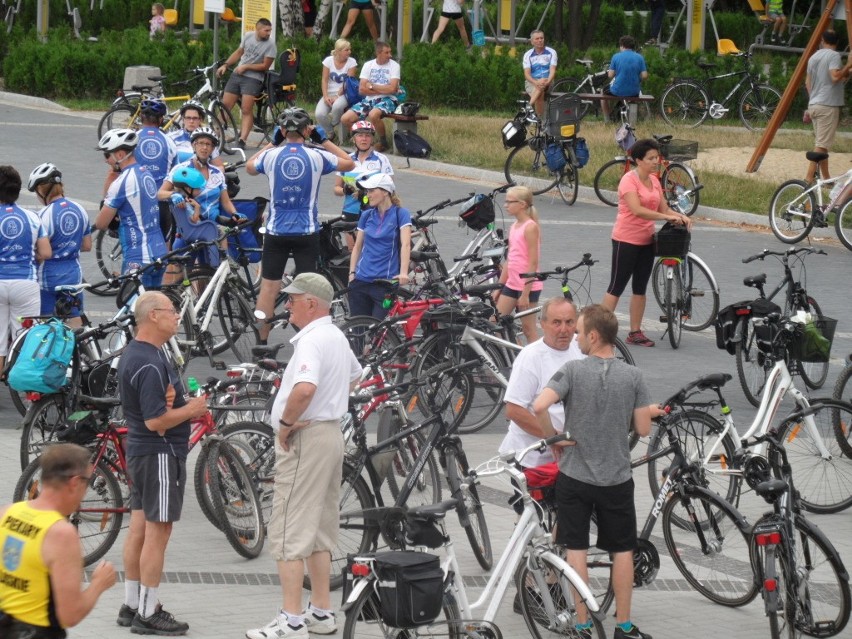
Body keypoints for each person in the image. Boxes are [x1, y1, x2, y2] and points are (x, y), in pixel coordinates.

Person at [246, 273, 361, 639]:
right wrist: (331, 401)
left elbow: (305, 388)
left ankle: (292, 619)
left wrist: (285, 424)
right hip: (329, 435)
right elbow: (355, 376)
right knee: (321, 526)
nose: (287, 304)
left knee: (288, 528)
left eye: (293, 299)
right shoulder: (336, 336)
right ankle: (321, 612)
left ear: (312, 303)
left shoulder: (312, 340)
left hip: (307, 437)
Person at [532, 304, 653, 639]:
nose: (574, 335)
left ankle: (583, 624)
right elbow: (643, 429)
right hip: (616, 478)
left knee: (577, 551)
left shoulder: (571, 371)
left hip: (575, 478)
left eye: (579, 331)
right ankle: (624, 626)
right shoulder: (633, 376)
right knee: (623, 550)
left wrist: (553, 438)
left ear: (594, 336)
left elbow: (539, 405)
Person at [116, 290, 208, 635]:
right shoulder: (151, 362)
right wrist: (192, 409)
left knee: (139, 530)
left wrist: (173, 402)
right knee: (159, 532)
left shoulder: (137, 354)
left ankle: (131, 602)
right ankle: (148, 611)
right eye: (171, 310)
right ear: (153, 316)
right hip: (160, 452)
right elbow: (156, 421)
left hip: (141, 453)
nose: (177, 316)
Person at [246, 108, 355, 343]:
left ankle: (262, 343)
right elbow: (349, 163)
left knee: (268, 288)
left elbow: (249, 166)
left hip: (277, 231)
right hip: (306, 232)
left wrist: (272, 143)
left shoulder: (271, 156)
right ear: (307, 130)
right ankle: (308, 340)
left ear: (283, 131)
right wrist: (323, 140)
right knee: (308, 289)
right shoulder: (317, 156)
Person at [0, 443, 117, 638]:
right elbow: (70, 615)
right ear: (75, 482)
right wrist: (99, 583)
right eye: (88, 483)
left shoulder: (7, 513)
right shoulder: (60, 534)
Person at [601, 138, 691, 348]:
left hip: (647, 240)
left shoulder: (654, 180)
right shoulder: (628, 181)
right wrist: (666, 218)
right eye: (651, 158)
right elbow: (637, 210)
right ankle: (600, 330)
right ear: (638, 160)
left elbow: (664, 209)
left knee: (640, 288)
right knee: (616, 286)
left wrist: (680, 216)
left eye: (657, 158)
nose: (656, 162)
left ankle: (635, 332)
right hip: (625, 239)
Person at [500, 297, 581, 470]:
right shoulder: (530, 357)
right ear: (542, 324)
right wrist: (554, 438)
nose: (564, 329)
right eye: (556, 322)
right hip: (532, 459)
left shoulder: (580, 346)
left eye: (569, 322)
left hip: (570, 456)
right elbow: (514, 410)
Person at [94, 129, 168, 289]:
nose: (106, 160)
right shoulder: (145, 173)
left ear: (120, 155)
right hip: (159, 250)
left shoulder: (122, 182)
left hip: (138, 257)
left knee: (129, 306)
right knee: (153, 307)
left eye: (107, 154)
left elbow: (101, 223)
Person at [158, 128, 240, 269]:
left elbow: (225, 201)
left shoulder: (217, 174)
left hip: (211, 230)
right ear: (194, 145)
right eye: (200, 143)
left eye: (208, 144)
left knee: (207, 276)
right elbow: (159, 194)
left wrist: (235, 213)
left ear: (213, 148)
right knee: (178, 277)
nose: (204, 147)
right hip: (188, 230)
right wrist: (173, 194)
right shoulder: (181, 170)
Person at [27, 163, 92, 327]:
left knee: (48, 324)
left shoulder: (43, 215)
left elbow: (41, 252)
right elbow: (87, 245)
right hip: (73, 274)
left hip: (49, 277)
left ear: (42, 190)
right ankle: (77, 351)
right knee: (74, 316)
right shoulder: (80, 209)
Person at [0, 165, 51, 373]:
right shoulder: (32, 217)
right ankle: (27, 390)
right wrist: (33, 259)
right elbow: (45, 252)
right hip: (26, 284)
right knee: (27, 340)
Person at [347, 173, 411, 319]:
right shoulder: (366, 215)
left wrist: (403, 273)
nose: (367, 195)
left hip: (385, 284)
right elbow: (357, 247)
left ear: (385, 192)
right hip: (360, 281)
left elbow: (406, 244)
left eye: (371, 191)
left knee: (380, 332)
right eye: (367, 191)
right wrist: (351, 274)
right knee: (357, 331)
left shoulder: (401, 214)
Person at [217, 18, 277, 150]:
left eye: (270, 30)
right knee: (225, 105)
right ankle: (216, 135)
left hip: (254, 78)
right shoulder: (248, 36)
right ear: (257, 29)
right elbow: (239, 53)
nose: (268, 33)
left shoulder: (271, 44)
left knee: (246, 108)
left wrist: (246, 67)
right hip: (238, 74)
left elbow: (265, 66)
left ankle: (243, 139)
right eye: (266, 30)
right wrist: (225, 65)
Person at [493, 185, 542, 344]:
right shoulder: (514, 226)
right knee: (494, 323)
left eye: (509, 202)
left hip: (527, 287)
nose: (505, 205)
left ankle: (538, 363)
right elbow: (510, 260)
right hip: (512, 284)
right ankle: (519, 356)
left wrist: (526, 293)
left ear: (522, 204)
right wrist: (499, 287)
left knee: (528, 330)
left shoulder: (530, 227)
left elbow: (533, 262)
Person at [334, 120, 393, 248]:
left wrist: (366, 192)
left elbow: (389, 189)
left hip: (373, 210)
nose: (364, 139)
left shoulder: (381, 159)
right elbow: (336, 189)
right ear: (354, 139)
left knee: (371, 249)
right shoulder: (346, 160)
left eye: (367, 135)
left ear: (372, 139)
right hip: (350, 210)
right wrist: (345, 190)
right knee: (353, 251)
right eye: (360, 135)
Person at [804, 30, 852, 185]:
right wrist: (849, 64)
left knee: (822, 144)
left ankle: (826, 179)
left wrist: (814, 98)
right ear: (836, 42)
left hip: (815, 104)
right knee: (821, 146)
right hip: (828, 105)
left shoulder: (813, 57)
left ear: (822, 40)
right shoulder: (834, 56)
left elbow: (807, 83)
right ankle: (808, 180)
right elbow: (835, 77)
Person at [340, 41, 402, 152]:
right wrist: (383, 89)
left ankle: (383, 142)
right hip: (369, 100)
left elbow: (392, 89)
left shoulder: (394, 66)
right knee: (345, 118)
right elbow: (361, 90)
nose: (390, 55)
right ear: (379, 53)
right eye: (387, 53)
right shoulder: (368, 65)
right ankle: (362, 140)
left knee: (373, 114)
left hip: (388, 99)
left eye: (390, 52)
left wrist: (372, 85)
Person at [315, 39, 358, 143]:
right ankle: (330, 132)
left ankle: (334, 124)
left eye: (349, 49)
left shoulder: (352, 62)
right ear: (338, 51)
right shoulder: (328, 61)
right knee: (319, 114)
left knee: (337, 106)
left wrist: (337, 96)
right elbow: (324, 80)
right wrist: (325, 96)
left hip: (344, 93)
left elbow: (348, 82)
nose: (349, 52)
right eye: (346, 50)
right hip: (329, 92)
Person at [601, 35, 648, 121]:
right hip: (634, 92)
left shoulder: (616, 56)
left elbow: (610, 75)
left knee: (603, 93)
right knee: (629, 95)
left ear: (622, 45)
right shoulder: (639, 57)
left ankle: (607, 120)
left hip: (618, 90)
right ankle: (630, 120)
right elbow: (644, 76)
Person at [167, 100, 224, 168]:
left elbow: (219, 166)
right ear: (183, 119)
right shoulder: (170, 138)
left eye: (195, 118)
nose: (191, 121)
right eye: (188, 118)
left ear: (201, 120)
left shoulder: (209, 138)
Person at [522, 30, 557, 117]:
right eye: (537, 39)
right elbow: (527, 74)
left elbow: (552, 71)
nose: (540, 40)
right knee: (540, 93)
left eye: (541, 38)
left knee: (541, 84)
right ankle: (541, 122)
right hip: (532, 82)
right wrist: (536, 82)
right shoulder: (528, 55)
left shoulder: (552, 52)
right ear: (532, 41)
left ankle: (527, 108)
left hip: (548, 81)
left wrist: (547, 82)